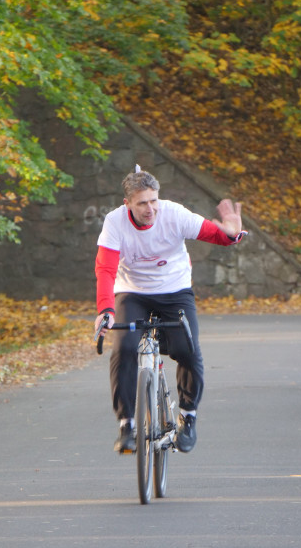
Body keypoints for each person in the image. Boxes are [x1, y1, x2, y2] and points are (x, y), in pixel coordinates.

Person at [94, 165, 246, 454]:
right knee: (124, 349)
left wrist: (231, 234)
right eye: (142, 203)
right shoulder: (114, 223)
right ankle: (127, 424)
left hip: (175, 291)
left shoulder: (173, 214)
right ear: (127, 204)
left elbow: (215, 234)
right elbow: (105, 269)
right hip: (133, 292)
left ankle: (187, 417)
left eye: (154, 200)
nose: (151, 208)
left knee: (187, 348)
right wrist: (106, 310)